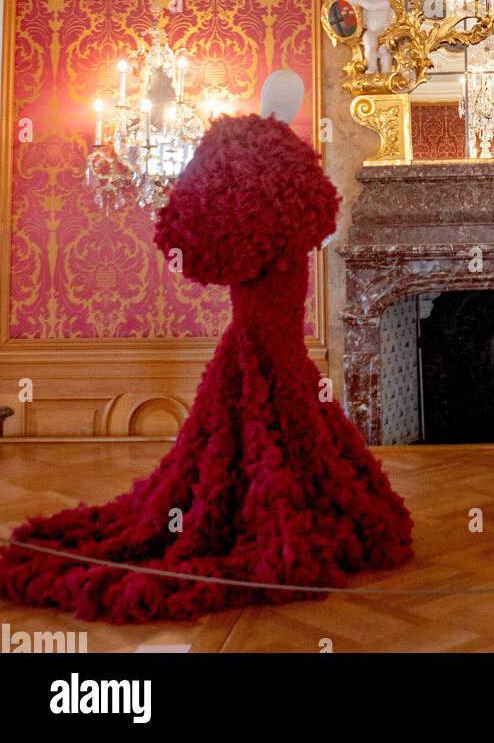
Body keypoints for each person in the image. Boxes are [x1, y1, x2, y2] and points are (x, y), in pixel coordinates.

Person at [0, 72, 413, 622]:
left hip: (275, 296)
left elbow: (217, 223)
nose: (287, 104)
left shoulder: (249, 149)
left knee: (275, 382)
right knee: (273, 388)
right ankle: (262, 506)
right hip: (271, 295)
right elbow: (288, 220)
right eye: (285, 99)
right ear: (277, 103)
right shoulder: (265, 150)